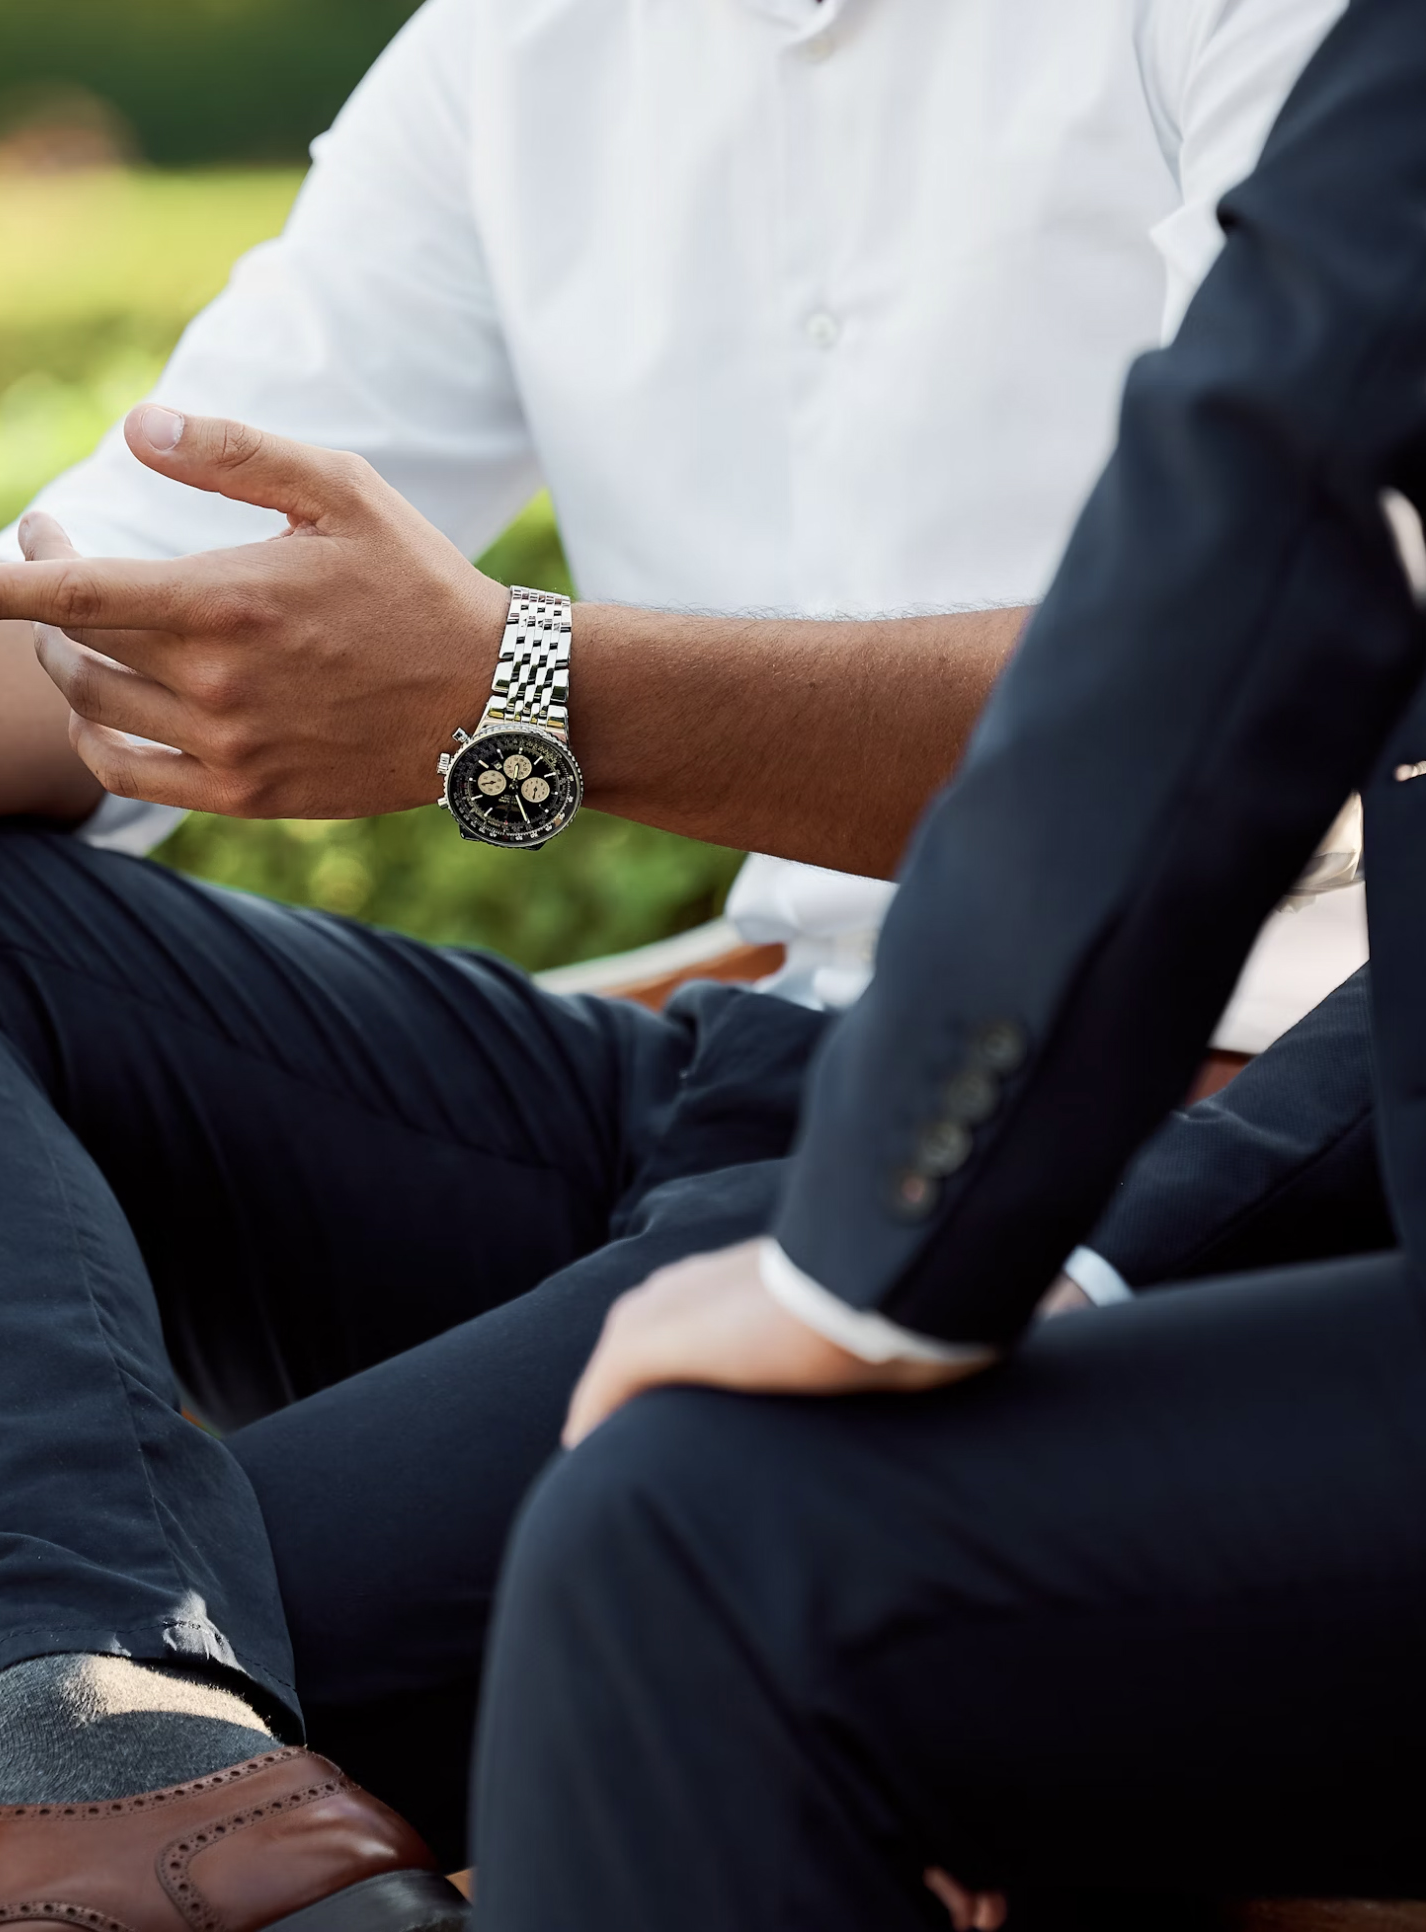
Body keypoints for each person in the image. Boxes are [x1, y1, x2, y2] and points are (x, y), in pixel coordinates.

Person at [0, 0, 1360, 1924]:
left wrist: (519, 690)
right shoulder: (525, 42)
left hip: (1169, 1133)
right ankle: (117, 1725)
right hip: (748, 1089)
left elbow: (1258, 696)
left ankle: (107, 1746)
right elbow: (119, 620)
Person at [465, 0, 1426, 1923]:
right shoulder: (503, 55)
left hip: (1039, 1140)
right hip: (794, 1099)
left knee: (691, 1553)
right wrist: (1051, 1254)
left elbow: (1271, 512)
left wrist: (879, 1264)